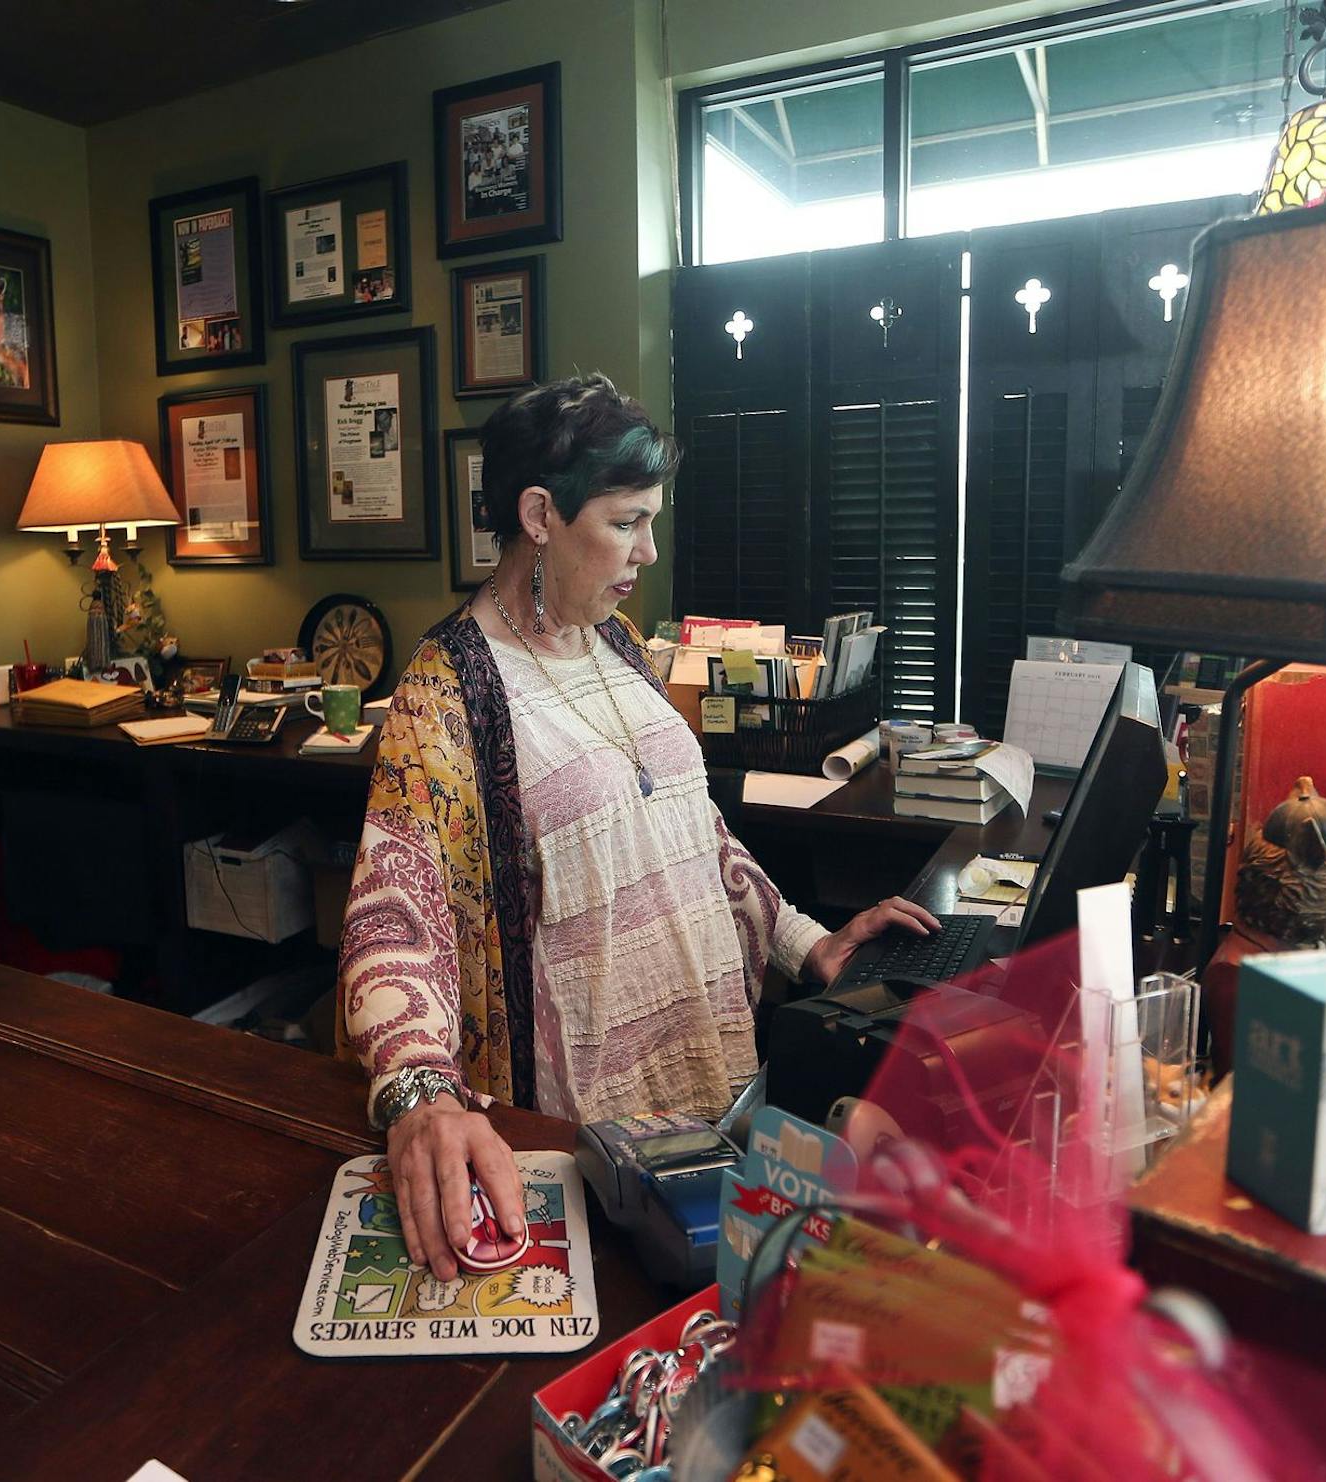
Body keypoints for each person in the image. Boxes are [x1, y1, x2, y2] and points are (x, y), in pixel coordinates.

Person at [338, 373, 939, 1281]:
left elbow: (694, 833)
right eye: (625, 522)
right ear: (540, 515)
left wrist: (809, 944)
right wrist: (419, 1089)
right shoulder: (448, 691)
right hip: (593, 1149)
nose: (648, 551)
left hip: (722, 1093)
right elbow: (396, 910)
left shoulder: (618, 645)